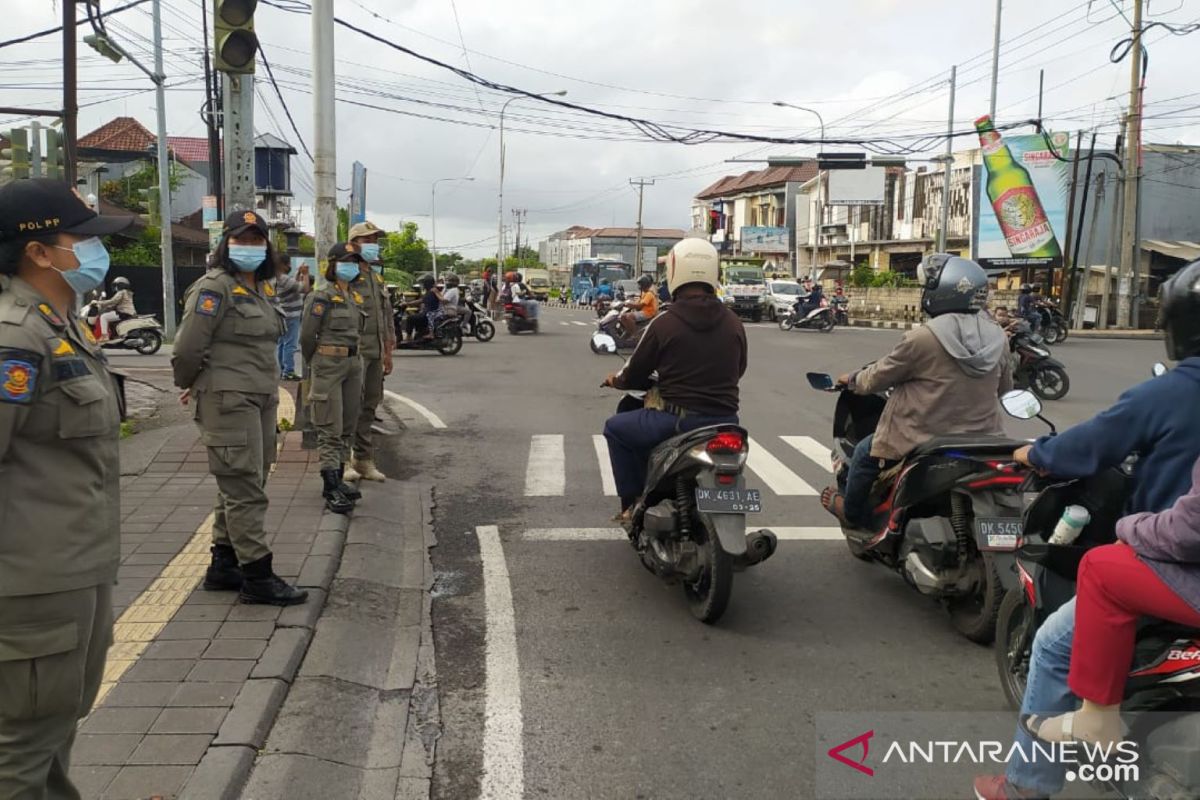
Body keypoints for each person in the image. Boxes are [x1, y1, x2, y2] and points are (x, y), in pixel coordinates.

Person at [974, 258, 1200, 800]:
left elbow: (1090, 444)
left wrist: (1038, 452)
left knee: (1053, 643)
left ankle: (1026, 785)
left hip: (1172, 560)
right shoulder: (998, 333)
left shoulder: (1168, 392)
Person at [0, 179, 130, 799]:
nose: (92, 250)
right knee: (19, 749)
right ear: (39, 252)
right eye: (79, 237)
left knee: (50, 735)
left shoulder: (60, 327)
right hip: (31, 588)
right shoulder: (14, 337)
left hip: (72, 574)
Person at [173, 209, 307, 606]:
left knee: (246, 480)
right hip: (228, 400)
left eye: (256, 240)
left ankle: (224, 563)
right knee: (245, 486)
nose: (248, 247)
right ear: (225, 243)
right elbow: (187, 348)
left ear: (266, 246)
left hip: (260, 397)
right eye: (240, 239)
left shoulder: (259, 288)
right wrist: (191, 384)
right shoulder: (214, 289)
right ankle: (258, 576)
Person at [822, 254, 1012, 529]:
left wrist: (852, 380)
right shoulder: (998, 338)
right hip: (983, 440)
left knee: (864, 455)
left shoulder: (923, 338)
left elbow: (878, 377)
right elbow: (1006, 389)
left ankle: (852, 515)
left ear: (940, 292)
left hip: (924, 436)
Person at [602, 239, 747, 520]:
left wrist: (616, 380)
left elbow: (635, 372)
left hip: (678, 421)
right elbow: (739, 368)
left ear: (674, 273)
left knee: (615, 428)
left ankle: (632, 505)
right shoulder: (734, 322)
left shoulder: (665, 322)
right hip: (727, 422)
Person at [301, 243, 368, 514]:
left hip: (353, 363)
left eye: (354, 261)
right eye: (346, 261)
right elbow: (307, 336)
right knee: (329, 427)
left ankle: (339, 481)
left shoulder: (353, 296)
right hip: (328, 364)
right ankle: (330, 487)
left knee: (347, 425)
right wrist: (315, 363)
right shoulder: (322, 297)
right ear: (332, 264)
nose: (351, 265)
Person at [345, 221, 395, 483]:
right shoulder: (347, 275)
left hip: (375, 352)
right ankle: (342, 462)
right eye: (367, 240)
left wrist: (388, 349)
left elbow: (386, 317)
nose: (373, 244)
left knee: (369, 406)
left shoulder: (375, 276)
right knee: (348, 407)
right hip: (354, 353)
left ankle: (363, 460)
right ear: (353, 244)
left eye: (375, 239)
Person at [272, 255, 307, 381]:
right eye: (288, 264)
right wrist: (306, 274)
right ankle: (288, 371)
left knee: (282, 343)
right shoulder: (284, 279)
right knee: (290, 345)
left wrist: (298, 274)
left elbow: (293, 286)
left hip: (282, 315)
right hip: (292, 316)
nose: (289, 266)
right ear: (283, 265)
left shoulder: (277, 278)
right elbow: (304, 288)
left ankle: (282, 369)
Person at [96, 275, 136, 340]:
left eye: (116, 285)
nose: (115, 287)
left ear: (121, 285)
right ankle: (114, 335)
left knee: (103, 317)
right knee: (110, 317)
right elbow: (115, 303)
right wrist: (107, 306)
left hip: (123, 312)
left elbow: (113, 301)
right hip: (128, 312)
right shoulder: (127, 292)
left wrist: (99, 303)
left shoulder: (121, 292)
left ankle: (104, 336)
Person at [619, 274, 658, 338]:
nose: (639, 286)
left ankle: (635, 335)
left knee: (629, 317)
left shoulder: (649, 294)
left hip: (648, 313)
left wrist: (629, 305)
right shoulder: (644, 292)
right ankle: (628, 331)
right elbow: (638, 302)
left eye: (640, 284)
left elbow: (639, 306)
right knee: (623, 316)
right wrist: (629, 302)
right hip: (643, 311)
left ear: (644, 284)